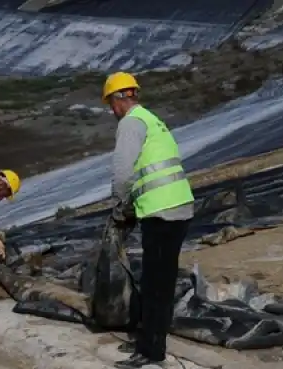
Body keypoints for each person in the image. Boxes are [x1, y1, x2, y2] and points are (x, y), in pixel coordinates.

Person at [102, 71, 195, 368]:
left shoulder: (130, 123)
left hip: (161, 212)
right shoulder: (151, 119)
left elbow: (123, 173)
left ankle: (151, 351)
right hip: (177, 208)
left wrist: (119, 207)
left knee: (156, 283)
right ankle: (149, 338)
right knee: (161, 280)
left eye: (110, 104)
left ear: (118, 100)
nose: (112, 111)